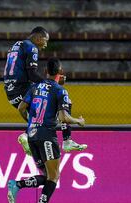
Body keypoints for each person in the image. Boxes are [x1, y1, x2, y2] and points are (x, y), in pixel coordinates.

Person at [7, 57, 85, 203]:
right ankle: (20, 186)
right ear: (60, 72)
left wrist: (31, 122)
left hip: (32, 135)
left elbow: (21, 108)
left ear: (45, 71)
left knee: (48, 176)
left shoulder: (34, 87)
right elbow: (63, 117)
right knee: (54, 177)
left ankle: (17, 184)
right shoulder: (60, 90)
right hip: (47, 136)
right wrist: (78, 121)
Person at [3, 26, 85, 155]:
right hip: (22, 88)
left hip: (10, 91)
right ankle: (66, 140)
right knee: (63, 103)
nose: (45, 45)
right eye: (45, 40)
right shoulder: (32, 47)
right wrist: (51, 84)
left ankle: (30, 134)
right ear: (38, 37)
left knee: (44, 114)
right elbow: (32, 74)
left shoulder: (16, 45)